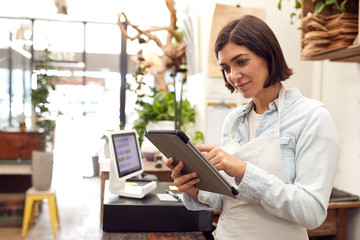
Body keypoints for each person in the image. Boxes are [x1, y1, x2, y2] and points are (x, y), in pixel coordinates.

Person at [165, 15, 339, 240]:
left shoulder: (312, 117)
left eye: (241, 61)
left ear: (268, 54)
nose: (233, 76)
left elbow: (312, 212)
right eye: (226, 67)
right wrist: (195, 189)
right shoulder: (234, 121)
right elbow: (229, 199)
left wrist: (244, 171)